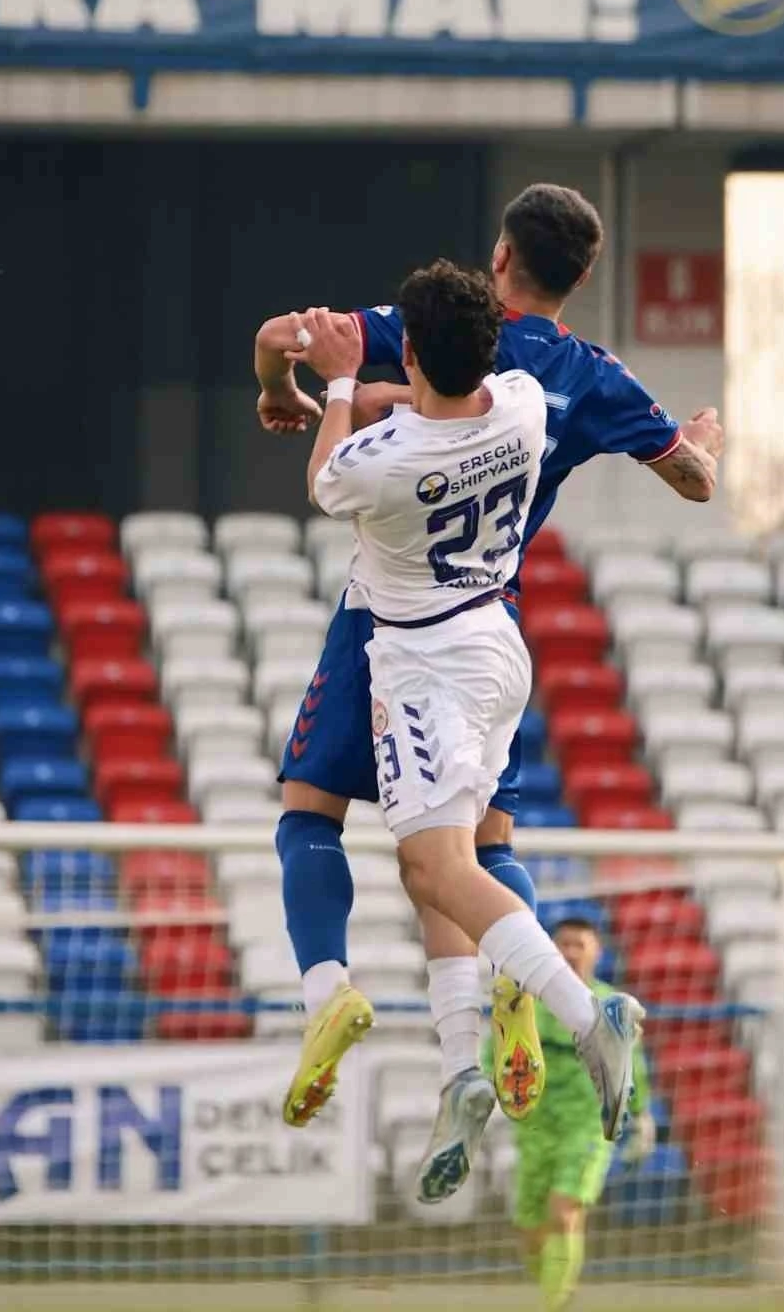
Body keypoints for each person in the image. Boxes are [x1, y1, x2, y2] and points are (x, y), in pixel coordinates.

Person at [254, 184, 723, 1133]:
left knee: (338, 822)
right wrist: (704, 447)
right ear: (582, 276)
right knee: (481, 846)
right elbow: (692, 479)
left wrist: (302, 389)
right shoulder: (552, 392)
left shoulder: (392, 412)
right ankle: (467, 1060)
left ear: (498, 258)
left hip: (398, 627)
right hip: (499, 617)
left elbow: (288, 359)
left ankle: (350, 992)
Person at [296, 260, 645, 1205]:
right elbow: (439, 403)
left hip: (424, 672)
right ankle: (462, 1070)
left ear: (409, 351)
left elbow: (327, 473)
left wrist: (335, 382)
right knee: (431, 871)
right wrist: (385, 390)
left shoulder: (384, 461)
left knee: (444, 869)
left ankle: (589, 1014)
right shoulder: (526, 404)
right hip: (497, 645)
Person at [482, 917, 654, 1312]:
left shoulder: (609, 1007)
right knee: (531, 1227)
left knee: (564, 1211)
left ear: (597, 951)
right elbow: (498, 1050)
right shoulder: (525, 1002)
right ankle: (554, 1289)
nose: (572, 951)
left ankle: (556, 1303)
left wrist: (641, 1113)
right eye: (564, 943)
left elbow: (631, 1065)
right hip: (535, 1126)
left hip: (588, 1125)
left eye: (581, 944)